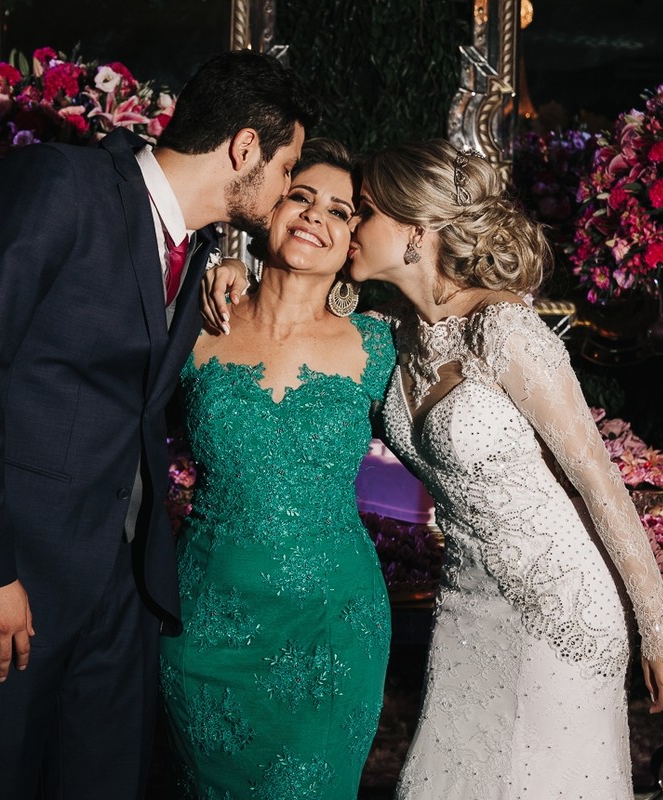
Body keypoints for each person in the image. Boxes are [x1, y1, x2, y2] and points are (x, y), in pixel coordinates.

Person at [0, 49, 319, 800]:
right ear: (245, 148)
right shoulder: (58, 184)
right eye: (286, 167)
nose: (283, 191)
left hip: (119, 593)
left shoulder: (197, 250)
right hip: (4, 583)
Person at [204, 138, 663, 798]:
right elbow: (298, 307)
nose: (350, 225)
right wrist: (230, 271)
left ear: (415, 229)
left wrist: (661, 628)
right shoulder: (395, 332)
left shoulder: (506, 330)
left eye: (363, 211)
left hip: (561, 608)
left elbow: (598, 482)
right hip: (466, 606)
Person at [160, 139, 395, 799]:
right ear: (271, 208)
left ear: (352, 241)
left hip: (330, 631)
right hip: (206, 626)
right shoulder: (195, 322)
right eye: (301, 196)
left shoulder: (379, 346)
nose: (315, 215)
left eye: (339, 210)